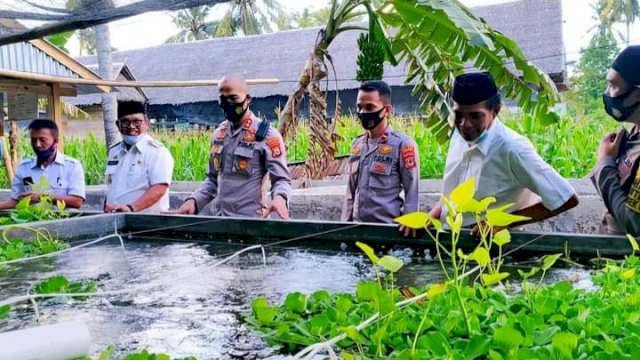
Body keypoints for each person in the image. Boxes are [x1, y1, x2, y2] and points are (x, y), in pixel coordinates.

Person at [430, 72, 578, 232]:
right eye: (458, 115)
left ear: (495, 111)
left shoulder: (512, 148)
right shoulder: (460, 137)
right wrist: (430, 217)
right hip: (451, 239)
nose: (465, 124)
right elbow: (452, 192)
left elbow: (566, 198)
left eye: (475, 116)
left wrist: (502, 223)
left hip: (492, 246)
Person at [165, 74, 291, 218]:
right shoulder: (219, 134)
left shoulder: (266, 135)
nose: (228, 104)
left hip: (252, 223)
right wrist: (193, 201)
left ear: (248, 99)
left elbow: (282, 179)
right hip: (220, 221)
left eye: (233, 98)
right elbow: (212, 180)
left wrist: (280, 198)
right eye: (223, 99)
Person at [341, 81, 420, 236]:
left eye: (369, 107)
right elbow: (350, 192)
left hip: (388, 232)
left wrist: (409, 226)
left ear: (387, 110)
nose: (362, 112)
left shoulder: (403, 145)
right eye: (359, 107)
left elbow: (412, 191)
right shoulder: (357, 145)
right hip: (356, 231)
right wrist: (344, 227)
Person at [591, 46, 640, 236]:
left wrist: (604, 163)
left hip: (630, 260)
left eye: (613, 85)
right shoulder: (633, 132)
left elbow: (634, 223)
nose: (608, 93)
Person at [104, 101, 174, 213]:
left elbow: (159, 188)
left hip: (146, 222)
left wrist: (131, 208)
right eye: (125, 122)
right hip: (115, 219)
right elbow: (110, 186)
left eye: (136, 122)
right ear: (118, 125)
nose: (131, 127)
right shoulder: (114, 151)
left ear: (146, 123)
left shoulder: (157, 152)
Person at [0, 119, 85, 209]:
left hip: (64, 222)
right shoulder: (24, 168)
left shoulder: (72, 166)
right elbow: (16, 201)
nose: (37, 144)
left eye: (42, 140)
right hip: (33, 221)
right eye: (33, 140)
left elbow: (77, 201)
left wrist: (42, 197)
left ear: (56, 141)